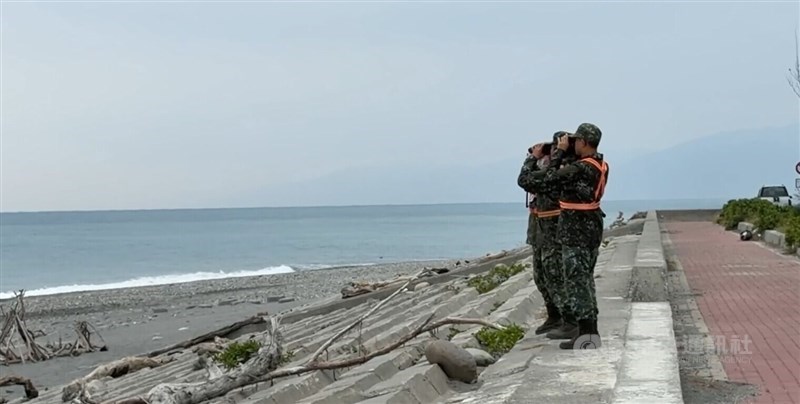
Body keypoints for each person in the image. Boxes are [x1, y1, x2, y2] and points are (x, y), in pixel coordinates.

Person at [544, 123, 608, 349]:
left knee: (577, 282)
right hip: (590, 228)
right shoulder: (600, 164)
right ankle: (590, 333)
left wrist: (559, 153)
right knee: (586, 281)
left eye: (576, 141)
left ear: (583, 142)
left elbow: (549, 178)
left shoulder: (580, 168)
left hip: (576, 231)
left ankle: (587, 336)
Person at [518, 132, 575, 337]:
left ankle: (569, 319)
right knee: (540, 276)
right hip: (539, 225)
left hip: (554, 227)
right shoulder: (548, 167)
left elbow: (525, 180)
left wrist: (532, 158)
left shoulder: (564, 168)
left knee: (555, 276)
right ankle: (553, 315)